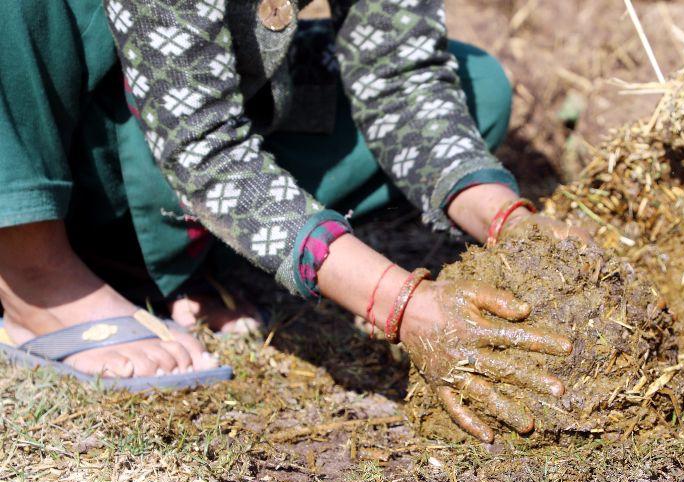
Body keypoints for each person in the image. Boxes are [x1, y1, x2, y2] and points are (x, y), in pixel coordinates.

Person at [0, 0, 588, 442]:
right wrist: (404, 305)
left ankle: (167, 245)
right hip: (64, 114)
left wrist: (508, 220)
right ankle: (34, 270)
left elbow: (399, 75)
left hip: (183, 96)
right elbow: (205, 145)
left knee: (474, 86)